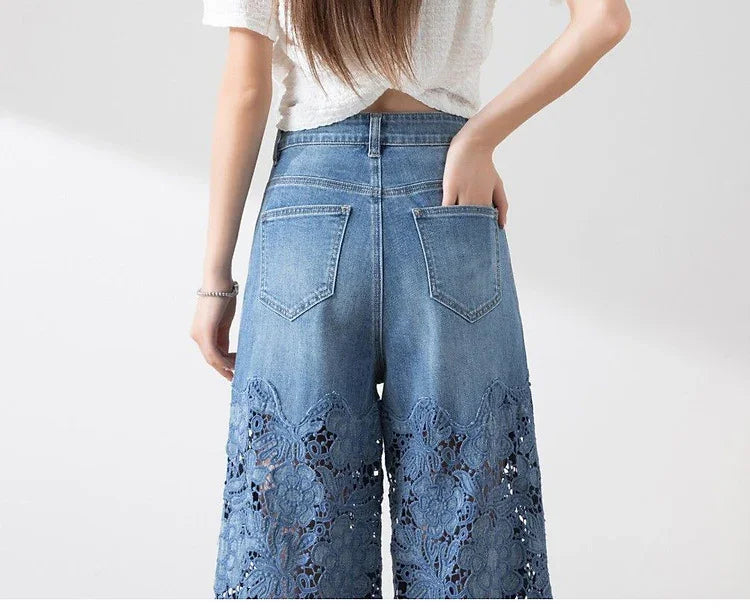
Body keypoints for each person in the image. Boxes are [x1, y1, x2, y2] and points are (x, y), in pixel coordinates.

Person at [192, 0, 630, 599]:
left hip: (308, 210)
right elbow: (604, 19)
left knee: (291, 525)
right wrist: (478, 139)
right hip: (446, 191)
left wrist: (215, 280)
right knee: (465, 519)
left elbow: (246, 91)